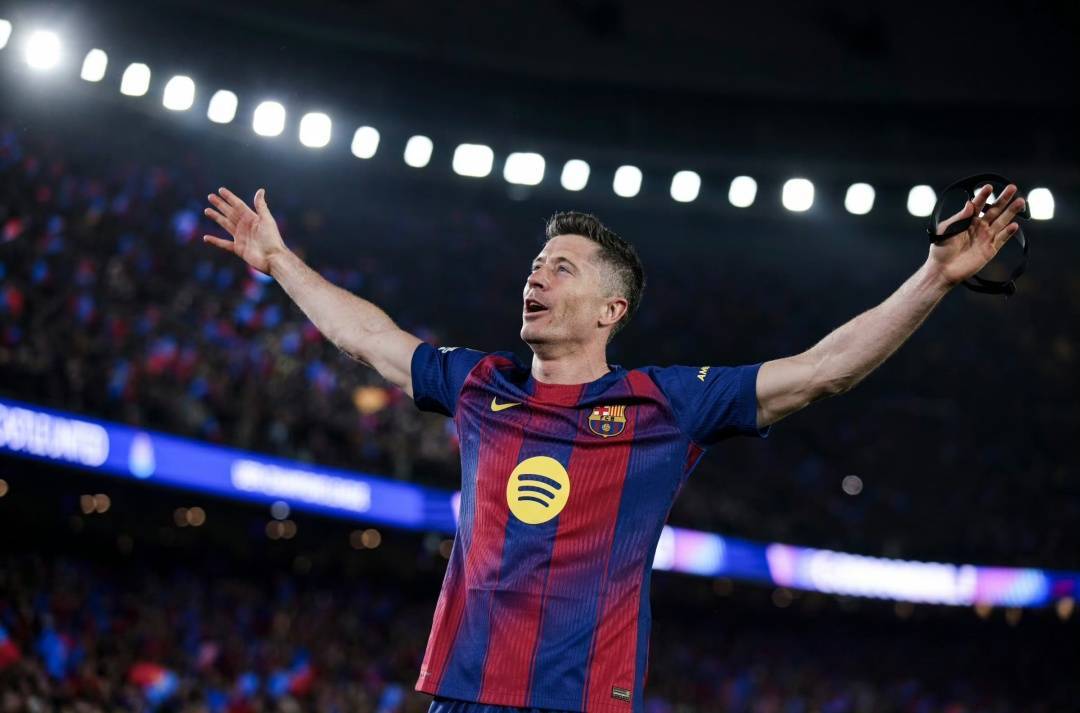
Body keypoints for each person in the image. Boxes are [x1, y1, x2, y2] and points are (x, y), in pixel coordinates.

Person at [203, 184, 1025, 713]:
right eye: (536, 265)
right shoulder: (481, 384)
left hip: (581, 701)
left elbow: (821, 371)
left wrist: (933, 278)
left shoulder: (665, 405)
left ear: (610, 310)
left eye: (561, 268)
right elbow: (367, 338)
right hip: (459, 692)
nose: (535, 277)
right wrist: (278, 261)